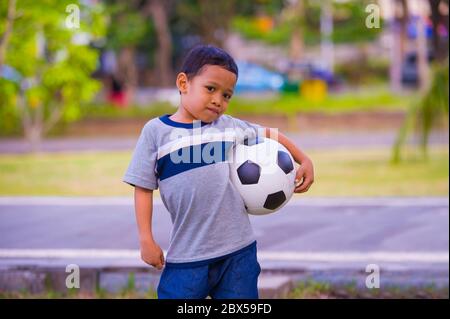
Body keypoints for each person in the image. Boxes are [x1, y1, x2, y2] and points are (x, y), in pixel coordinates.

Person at [123, 44, 314, 299]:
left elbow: (271, 134)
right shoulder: (156, 132)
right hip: (187, 255)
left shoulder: (229, 127)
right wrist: (146, 239)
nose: (218, 100)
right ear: (183, 83)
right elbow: (143, 187)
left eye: (227, 95)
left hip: (238, 254)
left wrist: (303, 158)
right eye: (210, 89)